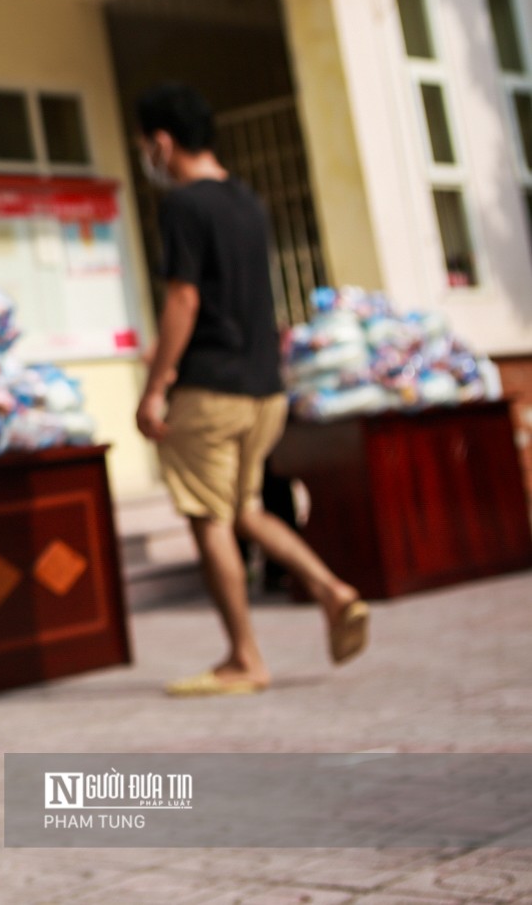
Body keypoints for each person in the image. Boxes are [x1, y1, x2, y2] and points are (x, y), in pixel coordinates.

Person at [133, 83, 369, 696]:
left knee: (208, 520)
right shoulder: (246, 201)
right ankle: (333, 590)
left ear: (162, 142)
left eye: (147, 146)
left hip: (209, 389)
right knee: (246, 511)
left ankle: (244, 658)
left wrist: (156, 386)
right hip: (265, 388)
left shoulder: (184, 207)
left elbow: (184, 298)